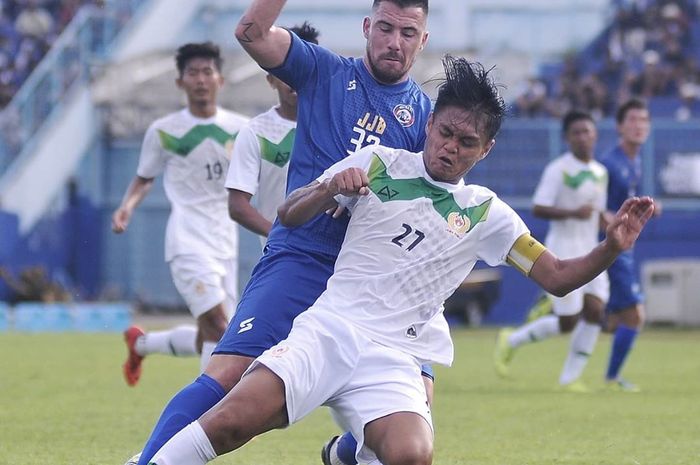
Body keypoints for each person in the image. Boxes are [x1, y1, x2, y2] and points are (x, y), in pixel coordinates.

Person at [146, 55, 655, 465]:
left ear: (486, 149)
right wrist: (327, 188)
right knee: (231, 420)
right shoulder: (379, 161)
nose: (450, 148)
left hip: (394, 357)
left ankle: (350, 451)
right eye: (445, 133)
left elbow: (559, 278)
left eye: (467, 142)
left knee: (413, 454)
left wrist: (610, 246)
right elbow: (288, 213)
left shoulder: (487, 213)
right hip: (330, 329)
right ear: (429, 124)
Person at [126, 2, 434, 465]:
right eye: (386, 28)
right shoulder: (324, 70)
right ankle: (148, 460)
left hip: (371, 282)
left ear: (423, 39)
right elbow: (251, 32)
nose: (395, 42)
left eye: (408, 33)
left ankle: (346, 454)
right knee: (226, 375)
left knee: (417, 408)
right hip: (302, 258)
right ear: (367, 27)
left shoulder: (425, 118)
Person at [111, 42, 248, 385]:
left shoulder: (243, 129)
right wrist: (126, 208)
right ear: (180, 82)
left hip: (225, 242)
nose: (200, 80)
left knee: (216, 335)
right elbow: (144, 178)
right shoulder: (164, 131)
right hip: (187, 240)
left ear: (221, 80)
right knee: (219, 327)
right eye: (192, 73)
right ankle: (209, 415)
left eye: (207, 72)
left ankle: (141, 343)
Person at [493, 110, 610, 392]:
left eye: (587, 131)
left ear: (595, 134)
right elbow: (538, 206)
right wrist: (573, 212)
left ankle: (571, 378)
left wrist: (606, 218)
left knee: (595, 311)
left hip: (591, 247)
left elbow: (595, 211)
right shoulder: (559, 169)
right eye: (577, 132)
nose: (583, 137)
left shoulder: (600, 172)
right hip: (564, 248)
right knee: (568, 321)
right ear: (567, 138)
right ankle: (512, 340)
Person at [225, 22, 320, 244]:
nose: (294, 77)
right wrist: (280, 235)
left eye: (303, 66)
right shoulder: (256, 132)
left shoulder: (339, 123)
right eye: (286, 69)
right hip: (283, 257)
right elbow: (237, 206)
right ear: (271, 78)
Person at [600, 97, 658, 392]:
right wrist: (614, 222)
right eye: (633, 120)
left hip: (623, 248)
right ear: (620, 126)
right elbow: (596, 208)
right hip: (611, 249)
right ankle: (611, 379)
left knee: (613, 316)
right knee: (635, 316)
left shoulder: (633, 163)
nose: (639, 126)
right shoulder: (610, 165)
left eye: (644, 120)